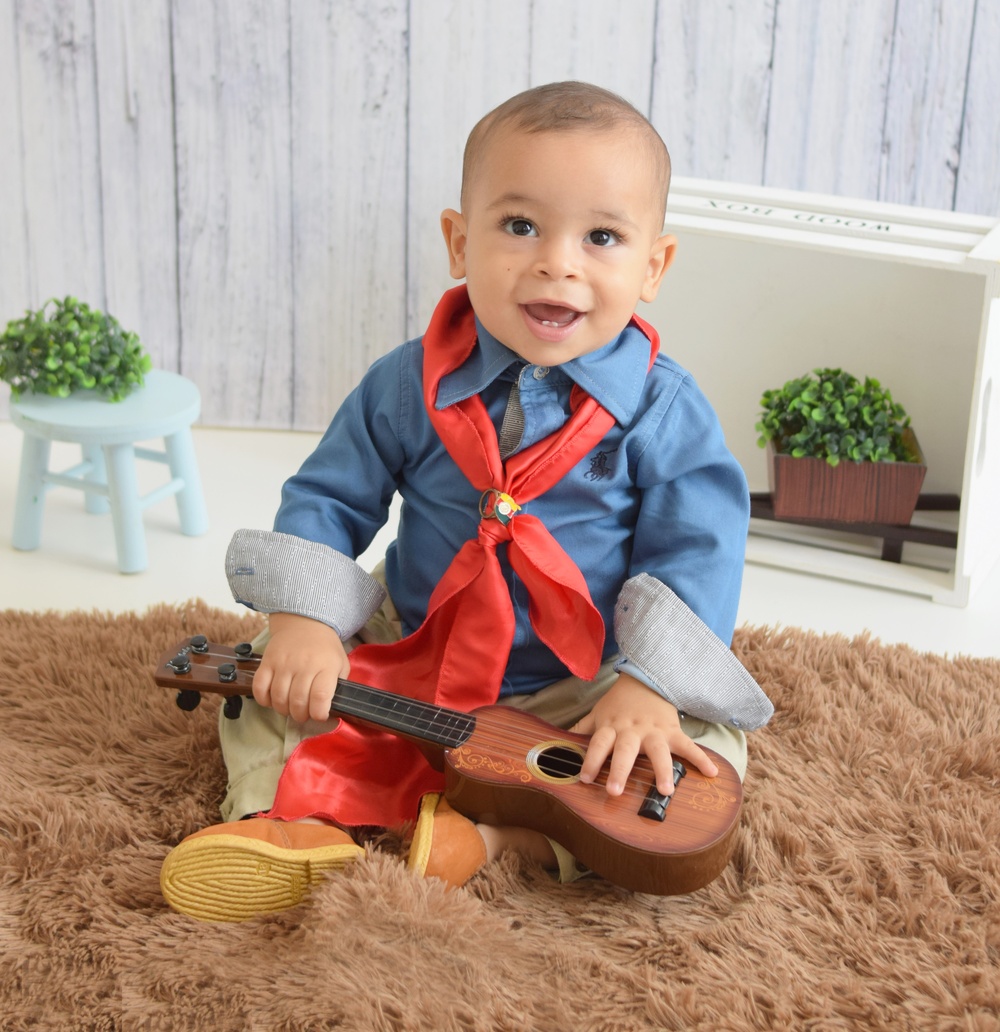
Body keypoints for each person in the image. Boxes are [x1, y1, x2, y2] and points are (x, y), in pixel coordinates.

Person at [160, 81, 772, 922]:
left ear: (654, 266)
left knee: (704, 756)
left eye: (601, 237)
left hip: (582, 681)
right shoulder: (406, 383)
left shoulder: (665, 411)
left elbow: (698, 549)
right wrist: (307, 624)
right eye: (520, 226)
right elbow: (331, 498)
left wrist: (650, 687)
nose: (558, 262)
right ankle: (281, 822)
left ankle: (498, 842)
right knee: (270, 673)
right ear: (458, 241)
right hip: (418, 644)